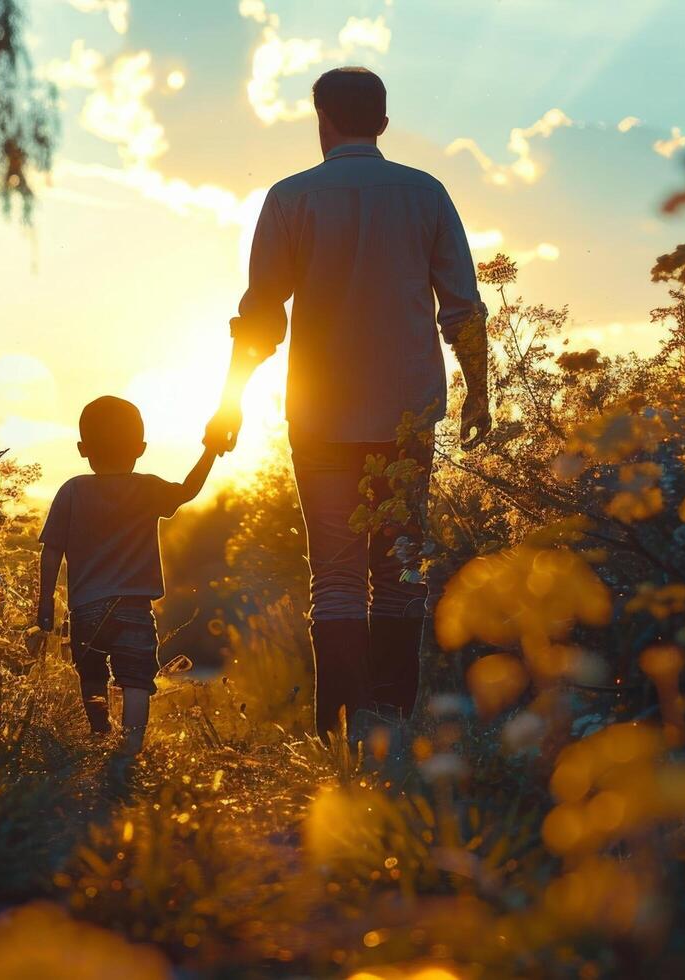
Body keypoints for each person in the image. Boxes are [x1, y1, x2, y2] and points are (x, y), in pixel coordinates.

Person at [206, 66, 491, 739]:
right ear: (384, 123)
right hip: (405, 419)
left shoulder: (290, 199)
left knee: (333, 577)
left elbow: (261, 318)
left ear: (321, 120)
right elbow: (462, 308)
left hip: (323, 418)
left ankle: (339, 734)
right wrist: (479, 392)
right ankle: (391, 726)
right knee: (398, 571)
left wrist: (231, 399)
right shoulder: (426, 194)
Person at [37, 396, 224, 753]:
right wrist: (210, 452)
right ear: (140, 448)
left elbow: (51, 551)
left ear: (82, 448)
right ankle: (130, 748)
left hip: (86, 609)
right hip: (134, 607)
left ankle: (99, 735)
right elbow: (188, 490)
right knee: (137, 679)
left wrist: (45, 600)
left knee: (91, 675)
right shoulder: (147, 487)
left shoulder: (72, 490)